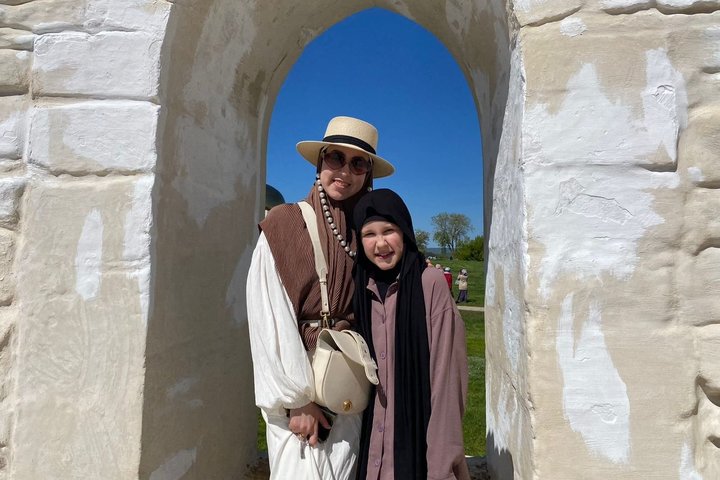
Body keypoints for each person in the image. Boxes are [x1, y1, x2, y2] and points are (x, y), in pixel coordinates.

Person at [246, 116, 395, 479]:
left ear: (368, 174)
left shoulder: (365, 235)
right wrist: (296, 400)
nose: (344, 171)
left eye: (358, 163)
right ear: (320, 161)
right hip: (301, 388)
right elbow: (268, 316)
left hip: (348, 384)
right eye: (335, 158)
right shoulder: (285, 223)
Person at [352, 189, 470, 480]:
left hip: (418, 455)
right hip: (368, 456)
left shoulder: (429, 284)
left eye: (388, 231)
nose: (380, 243)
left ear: (404, 232)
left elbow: (447, 381)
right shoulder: (360, 290)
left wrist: (441, 468)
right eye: (369, 234)